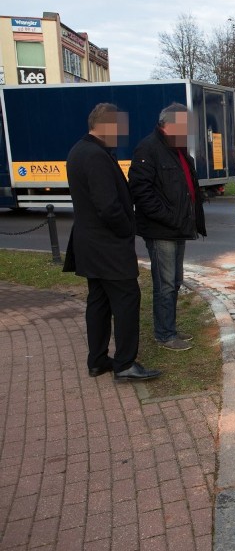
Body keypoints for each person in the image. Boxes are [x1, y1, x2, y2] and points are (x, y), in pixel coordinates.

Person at [64, 103, 162, 382]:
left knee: (98, 301)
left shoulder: (78, 150)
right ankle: (125, 364)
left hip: (89, 244)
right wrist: (126, 230)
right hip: (107, 245)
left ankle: (97, 361)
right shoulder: (95, 155)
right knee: (127, 300)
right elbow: (108, 206)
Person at [129, 103, 206, 351]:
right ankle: (164, 334)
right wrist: (170, 217)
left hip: (178, 227)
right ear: (169, 124)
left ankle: (169, 327)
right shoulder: (149, 148)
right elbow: (141, 192)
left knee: (175, 280)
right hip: (162, 229)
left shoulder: (178, 149)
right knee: (165, 283)